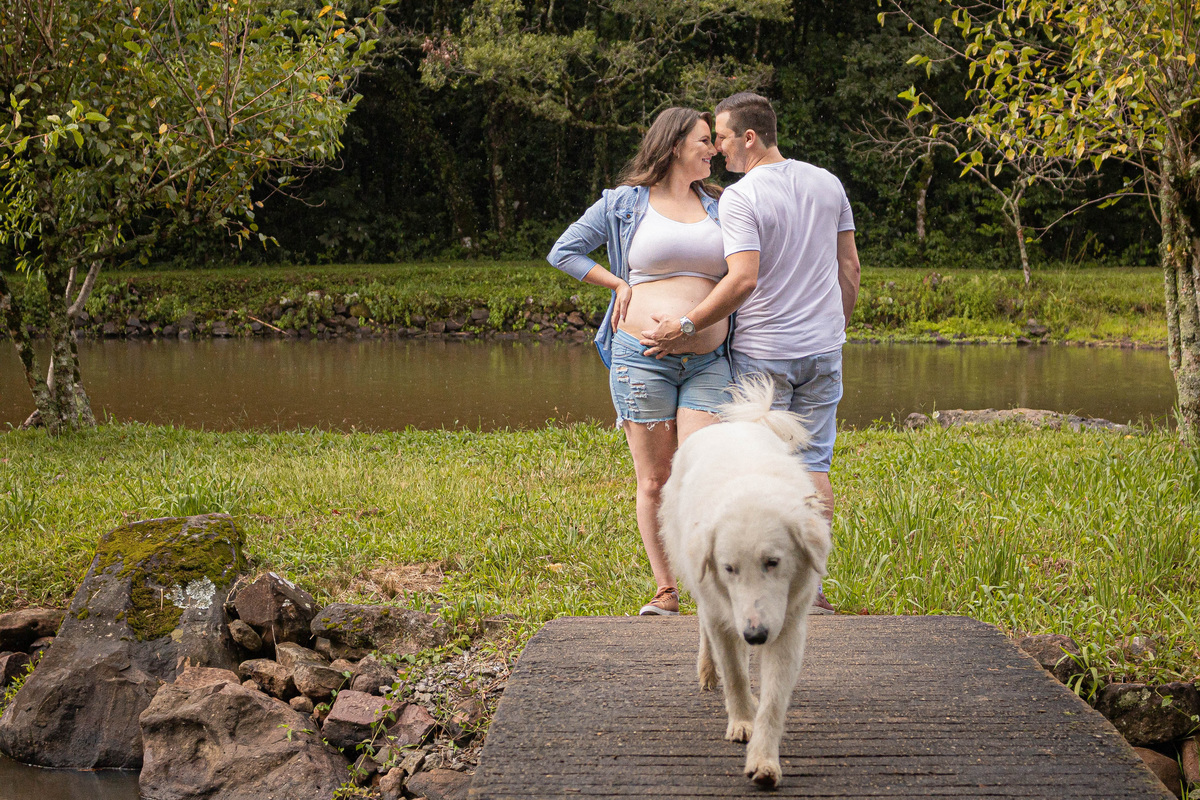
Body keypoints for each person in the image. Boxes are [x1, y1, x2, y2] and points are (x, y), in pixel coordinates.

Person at [640, 92, 861, 614]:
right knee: (814, 464)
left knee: (763, 467)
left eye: (719, 136)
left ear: (749, 138)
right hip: (823, 351)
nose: (716, 147)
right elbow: (849, 269)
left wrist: (688, 323)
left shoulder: (742, 197)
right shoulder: (828, 183)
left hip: (763, 354)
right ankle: (815, 588)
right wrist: (834, 327)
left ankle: (765, 582)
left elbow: (743, 278)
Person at [546, 107, 733, 617]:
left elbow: (744, 271)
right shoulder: (624, 203)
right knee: (654, 479)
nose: (714, 149)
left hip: (708, 359)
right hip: (639, 358)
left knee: (704, 472)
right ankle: (666, 589)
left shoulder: (721, 204)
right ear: (674, 145)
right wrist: (617, 282)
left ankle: (712, 585)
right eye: (703, 140)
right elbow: (565, 252)